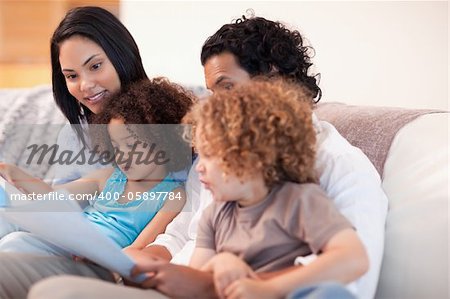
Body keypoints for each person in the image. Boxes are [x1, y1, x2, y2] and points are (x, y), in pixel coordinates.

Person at [0, 14, 387, 299]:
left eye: (226, 88)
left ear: (272, 79)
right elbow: (183, 232)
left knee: (57, 292)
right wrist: (143, 260)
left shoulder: (338, 167)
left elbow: (349, 280)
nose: (215, 106)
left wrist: (232, 283)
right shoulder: (219, 161)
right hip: (161, 278)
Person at [188, 79, 368, 298]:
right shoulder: (214, 216)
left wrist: (269, 289)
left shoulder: (300, 200)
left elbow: (354, 258)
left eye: (208, 154)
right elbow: (193, 284)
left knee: (332, 293)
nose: (199, 167)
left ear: (250, 156)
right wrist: (219, 262)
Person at [0, 78, 193, 254]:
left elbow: (138, 247)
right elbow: (53, 197)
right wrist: (16, 174)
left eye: (132, 144)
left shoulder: (173, 195)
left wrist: (107, 261)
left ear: (163, 140)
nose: (123, 155)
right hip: (68, 241)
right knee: (15, 231)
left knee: (16, 243)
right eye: (116, 146)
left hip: (99, 260)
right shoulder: (109, 176)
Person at [49, 6, 148, 185]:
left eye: (95, 66)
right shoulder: (74, 136)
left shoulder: (167, 118)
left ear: (123, 56)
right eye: (72, 76)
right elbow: (58, 205)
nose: (85, 85)